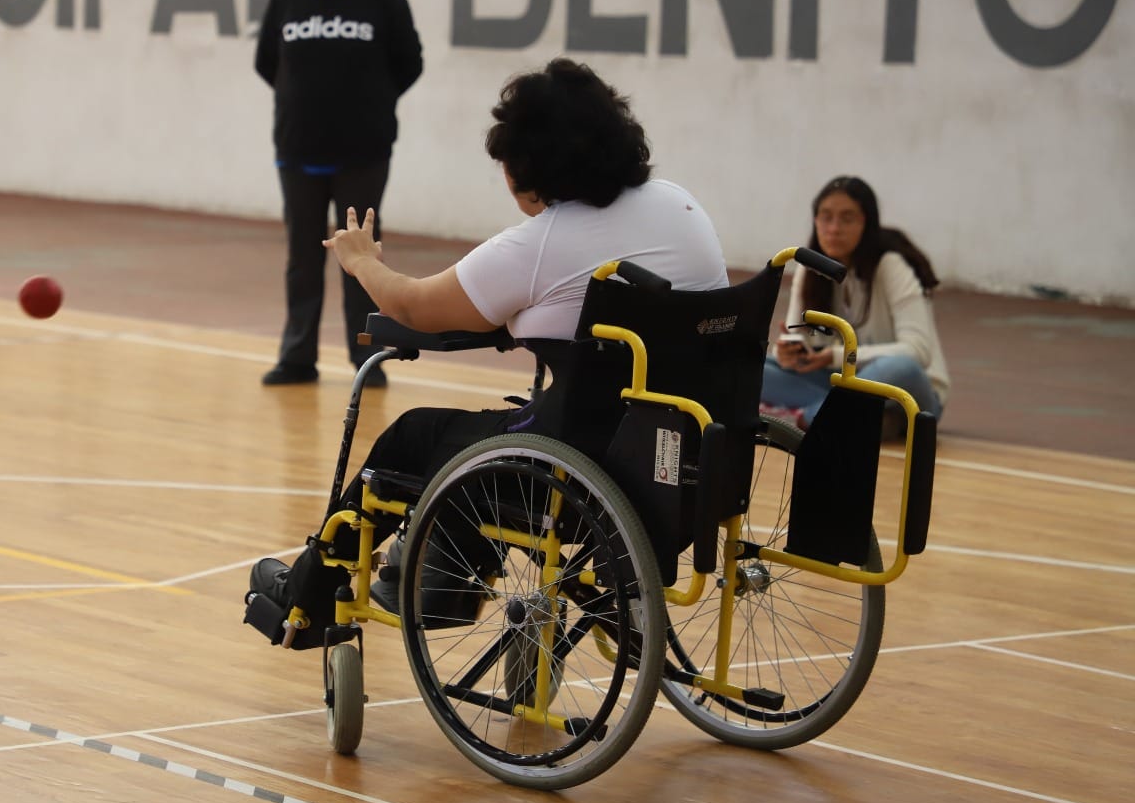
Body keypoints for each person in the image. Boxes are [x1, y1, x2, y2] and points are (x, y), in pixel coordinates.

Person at [248, 57, 728, 619]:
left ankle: (310, 591)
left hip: (583, 471)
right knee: (494, 433)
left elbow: (413, 305)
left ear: (526, 166)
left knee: (417, 437)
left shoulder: (541, 244)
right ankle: (439, 579)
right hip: (692, 464)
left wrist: (360, 262)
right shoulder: (680, 205)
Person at [254, 0, 423, 387]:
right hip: (299, 150)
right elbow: (268, 62)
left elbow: (408, 64)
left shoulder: (384, 1)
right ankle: (297, 357)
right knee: (303, 257)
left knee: (361, 258)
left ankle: (364, 357)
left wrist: (366, 101)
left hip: (362, 153)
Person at [760, 175, 949, 436]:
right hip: (836, 383)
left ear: (866, 224)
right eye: (826, 217)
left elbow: (918, 351)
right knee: (751, 366)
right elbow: (802, 343)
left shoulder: (890, 265)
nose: (834, 228)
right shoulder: (809, 267)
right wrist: (790, 353)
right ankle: (850, 420)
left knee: (900, 366)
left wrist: (837, 356)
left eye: (847, 218)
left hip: (905, 392)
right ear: (815, 221)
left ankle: (811, 417)